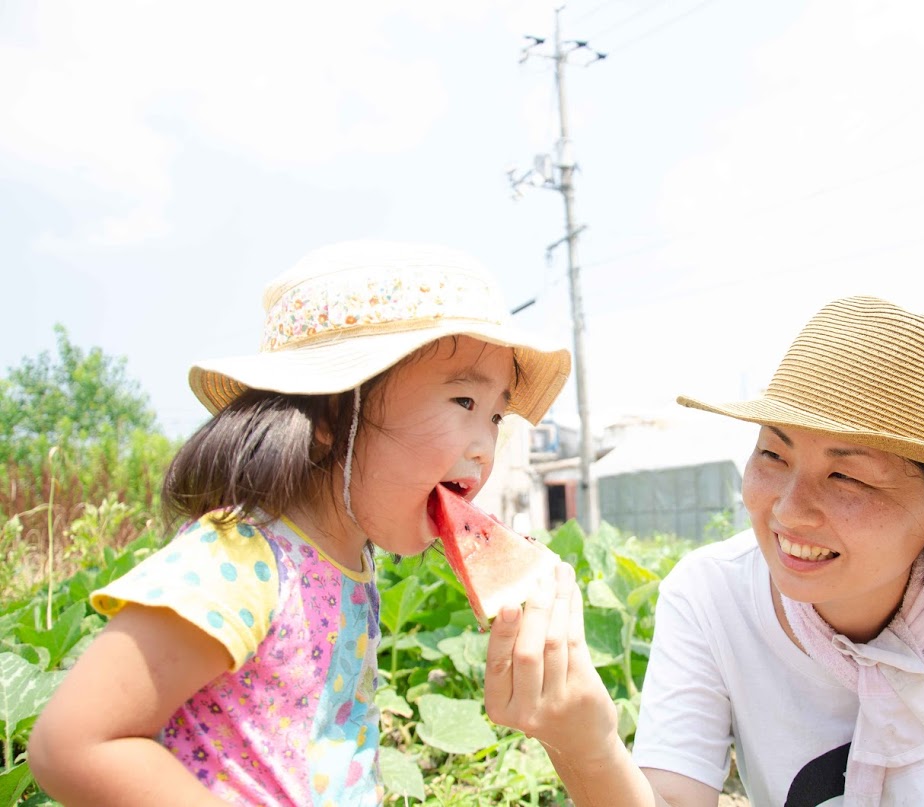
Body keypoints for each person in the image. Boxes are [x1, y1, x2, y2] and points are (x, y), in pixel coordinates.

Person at [485, 295, 924, 807]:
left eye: (846, 476)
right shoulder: (708, 595)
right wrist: (588, 743)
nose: (788, 509)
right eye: (773, 454)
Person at [27, 240, 571, 806]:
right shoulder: (238, 559)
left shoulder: (352, 561)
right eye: (463, 401)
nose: (486, 447)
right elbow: (74, 744)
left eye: (497, 415)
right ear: (331, 415)